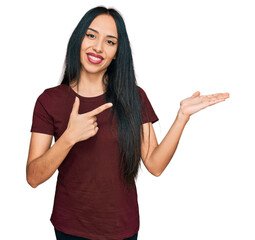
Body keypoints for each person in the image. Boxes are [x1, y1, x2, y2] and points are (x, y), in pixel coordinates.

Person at [26, 6, 230, 240]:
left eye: (110, 41)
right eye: (91, 35)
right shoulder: (49, 100)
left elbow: (155, 165)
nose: (98, 47)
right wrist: (70, 137)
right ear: (78, 39)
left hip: (121, 229)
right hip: (69, 228)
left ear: (117, 52)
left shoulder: (134, 97)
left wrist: (182, 117)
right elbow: (33, 177)